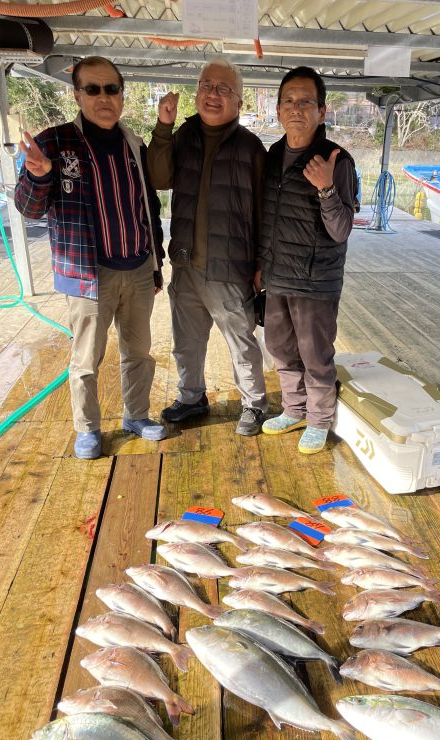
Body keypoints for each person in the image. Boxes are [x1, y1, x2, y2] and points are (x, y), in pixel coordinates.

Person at [15, 56, 166, 460]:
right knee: (86, 360)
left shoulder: (134, 143)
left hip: (137, 268)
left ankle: (137, 415)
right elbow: (28, 208)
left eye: (111, 89)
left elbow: (148, 206)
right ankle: (87, 428)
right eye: (93, 89)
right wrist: (39, 176)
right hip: (87, 275)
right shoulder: (53, 143)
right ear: (77, 95)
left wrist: (156, 264)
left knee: (139, 353)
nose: (104, 98)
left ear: (121, 94)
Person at [147, 59, 268, 436]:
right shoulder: (183, 135)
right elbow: (159, 177)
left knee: (241, 342)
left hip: (230, 268)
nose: (213, 94)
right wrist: (163, 126)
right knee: (186, 342)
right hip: (185, 264)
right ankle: (191, 397)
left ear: (239, 102)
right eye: (206, 85)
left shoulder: (251, 148)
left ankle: (254, 404)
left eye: (224, 89)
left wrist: (261, 264)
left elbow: (265, 211)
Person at [259, 67, 358, 454]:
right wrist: (261, 267)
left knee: (315, 354)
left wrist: (327, 189)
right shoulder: (273, 155)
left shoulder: (337, 160)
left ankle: (318, 419)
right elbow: (267, 217)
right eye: (288, 101)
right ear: (278, 110)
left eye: (305, 101)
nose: (296, 108)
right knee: (281, 348)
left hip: (316, 281)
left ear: (322, 111)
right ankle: (294, 409)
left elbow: (342, 230)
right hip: (278, 276)